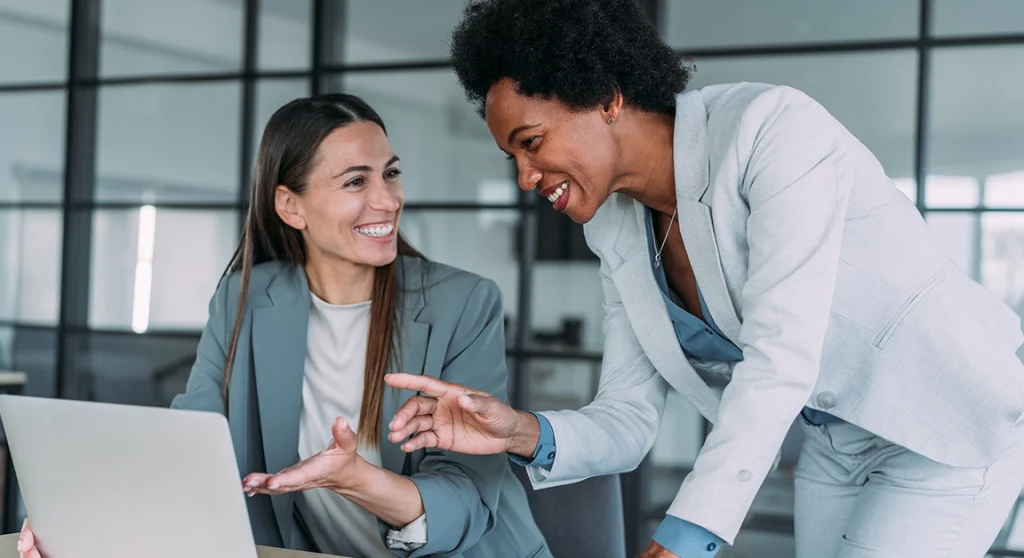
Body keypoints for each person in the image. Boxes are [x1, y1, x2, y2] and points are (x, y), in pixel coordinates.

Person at [383, 1, 1024, 557]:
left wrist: (688, 533)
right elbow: (628, 416)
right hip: (834, 446)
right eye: (512, 157)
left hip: (945, 419)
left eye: (531, 142)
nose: (524, 176)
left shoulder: (770, 130)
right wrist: (517, 430)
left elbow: (779, 355)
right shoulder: (612, 229)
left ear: (606, 97)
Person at [18, 93, 550, 558]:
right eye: (355, 181)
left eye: (390, 172)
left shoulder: (463, 303)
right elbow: (190, 452)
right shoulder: (244, 299)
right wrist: (80, 525)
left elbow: (468, 501)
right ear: (291, 206)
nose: (388, 199)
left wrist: (359, 482)